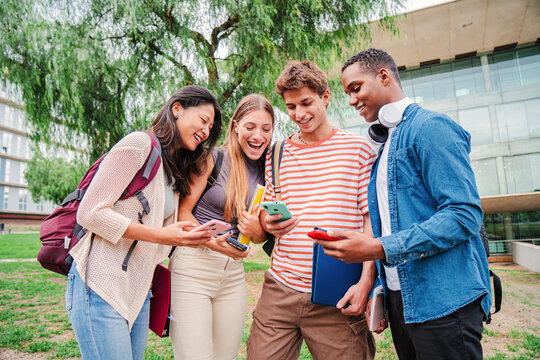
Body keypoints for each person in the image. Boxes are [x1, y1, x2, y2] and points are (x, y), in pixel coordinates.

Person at [315, 48, 492, 359]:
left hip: (444, 303)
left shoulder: (431, 128)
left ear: (384, 76)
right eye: (348, 93)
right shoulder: (385, 145)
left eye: (356, 88)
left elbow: (463, 215)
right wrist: (383, 289)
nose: (352, 100)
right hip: (403, 304)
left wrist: (379, 247)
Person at [65, 85, 223, 360]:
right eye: (203, 120)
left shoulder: (172, 169)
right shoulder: (139, 144)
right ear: (177, 109)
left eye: (211, 127)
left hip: (139, 292)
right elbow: (89, 212)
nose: (207, 131)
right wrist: (164, 236)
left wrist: (189, 235)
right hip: (101, 285)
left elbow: (160, 230)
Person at [247, 60, 377, 360]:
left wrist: (365, 282)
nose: (299, 114)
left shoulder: (358, 150)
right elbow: (267, 209)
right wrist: (269, 221)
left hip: (338, 291)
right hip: (280, 286)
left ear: (326, 97)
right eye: (291, 107)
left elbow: (372, 223)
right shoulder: (276, 152)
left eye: (306, 102)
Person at [169, 94, 274, 360]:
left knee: (225, 356)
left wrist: (256, 231)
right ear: (236, 126)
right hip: (193, 268)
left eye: (266, 129)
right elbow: (182, 212)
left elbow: (261, 235)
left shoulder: (268, 170)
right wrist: (210, 241)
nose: (258, 136)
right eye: (250, 127)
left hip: (233, 276)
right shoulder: (210, 159)